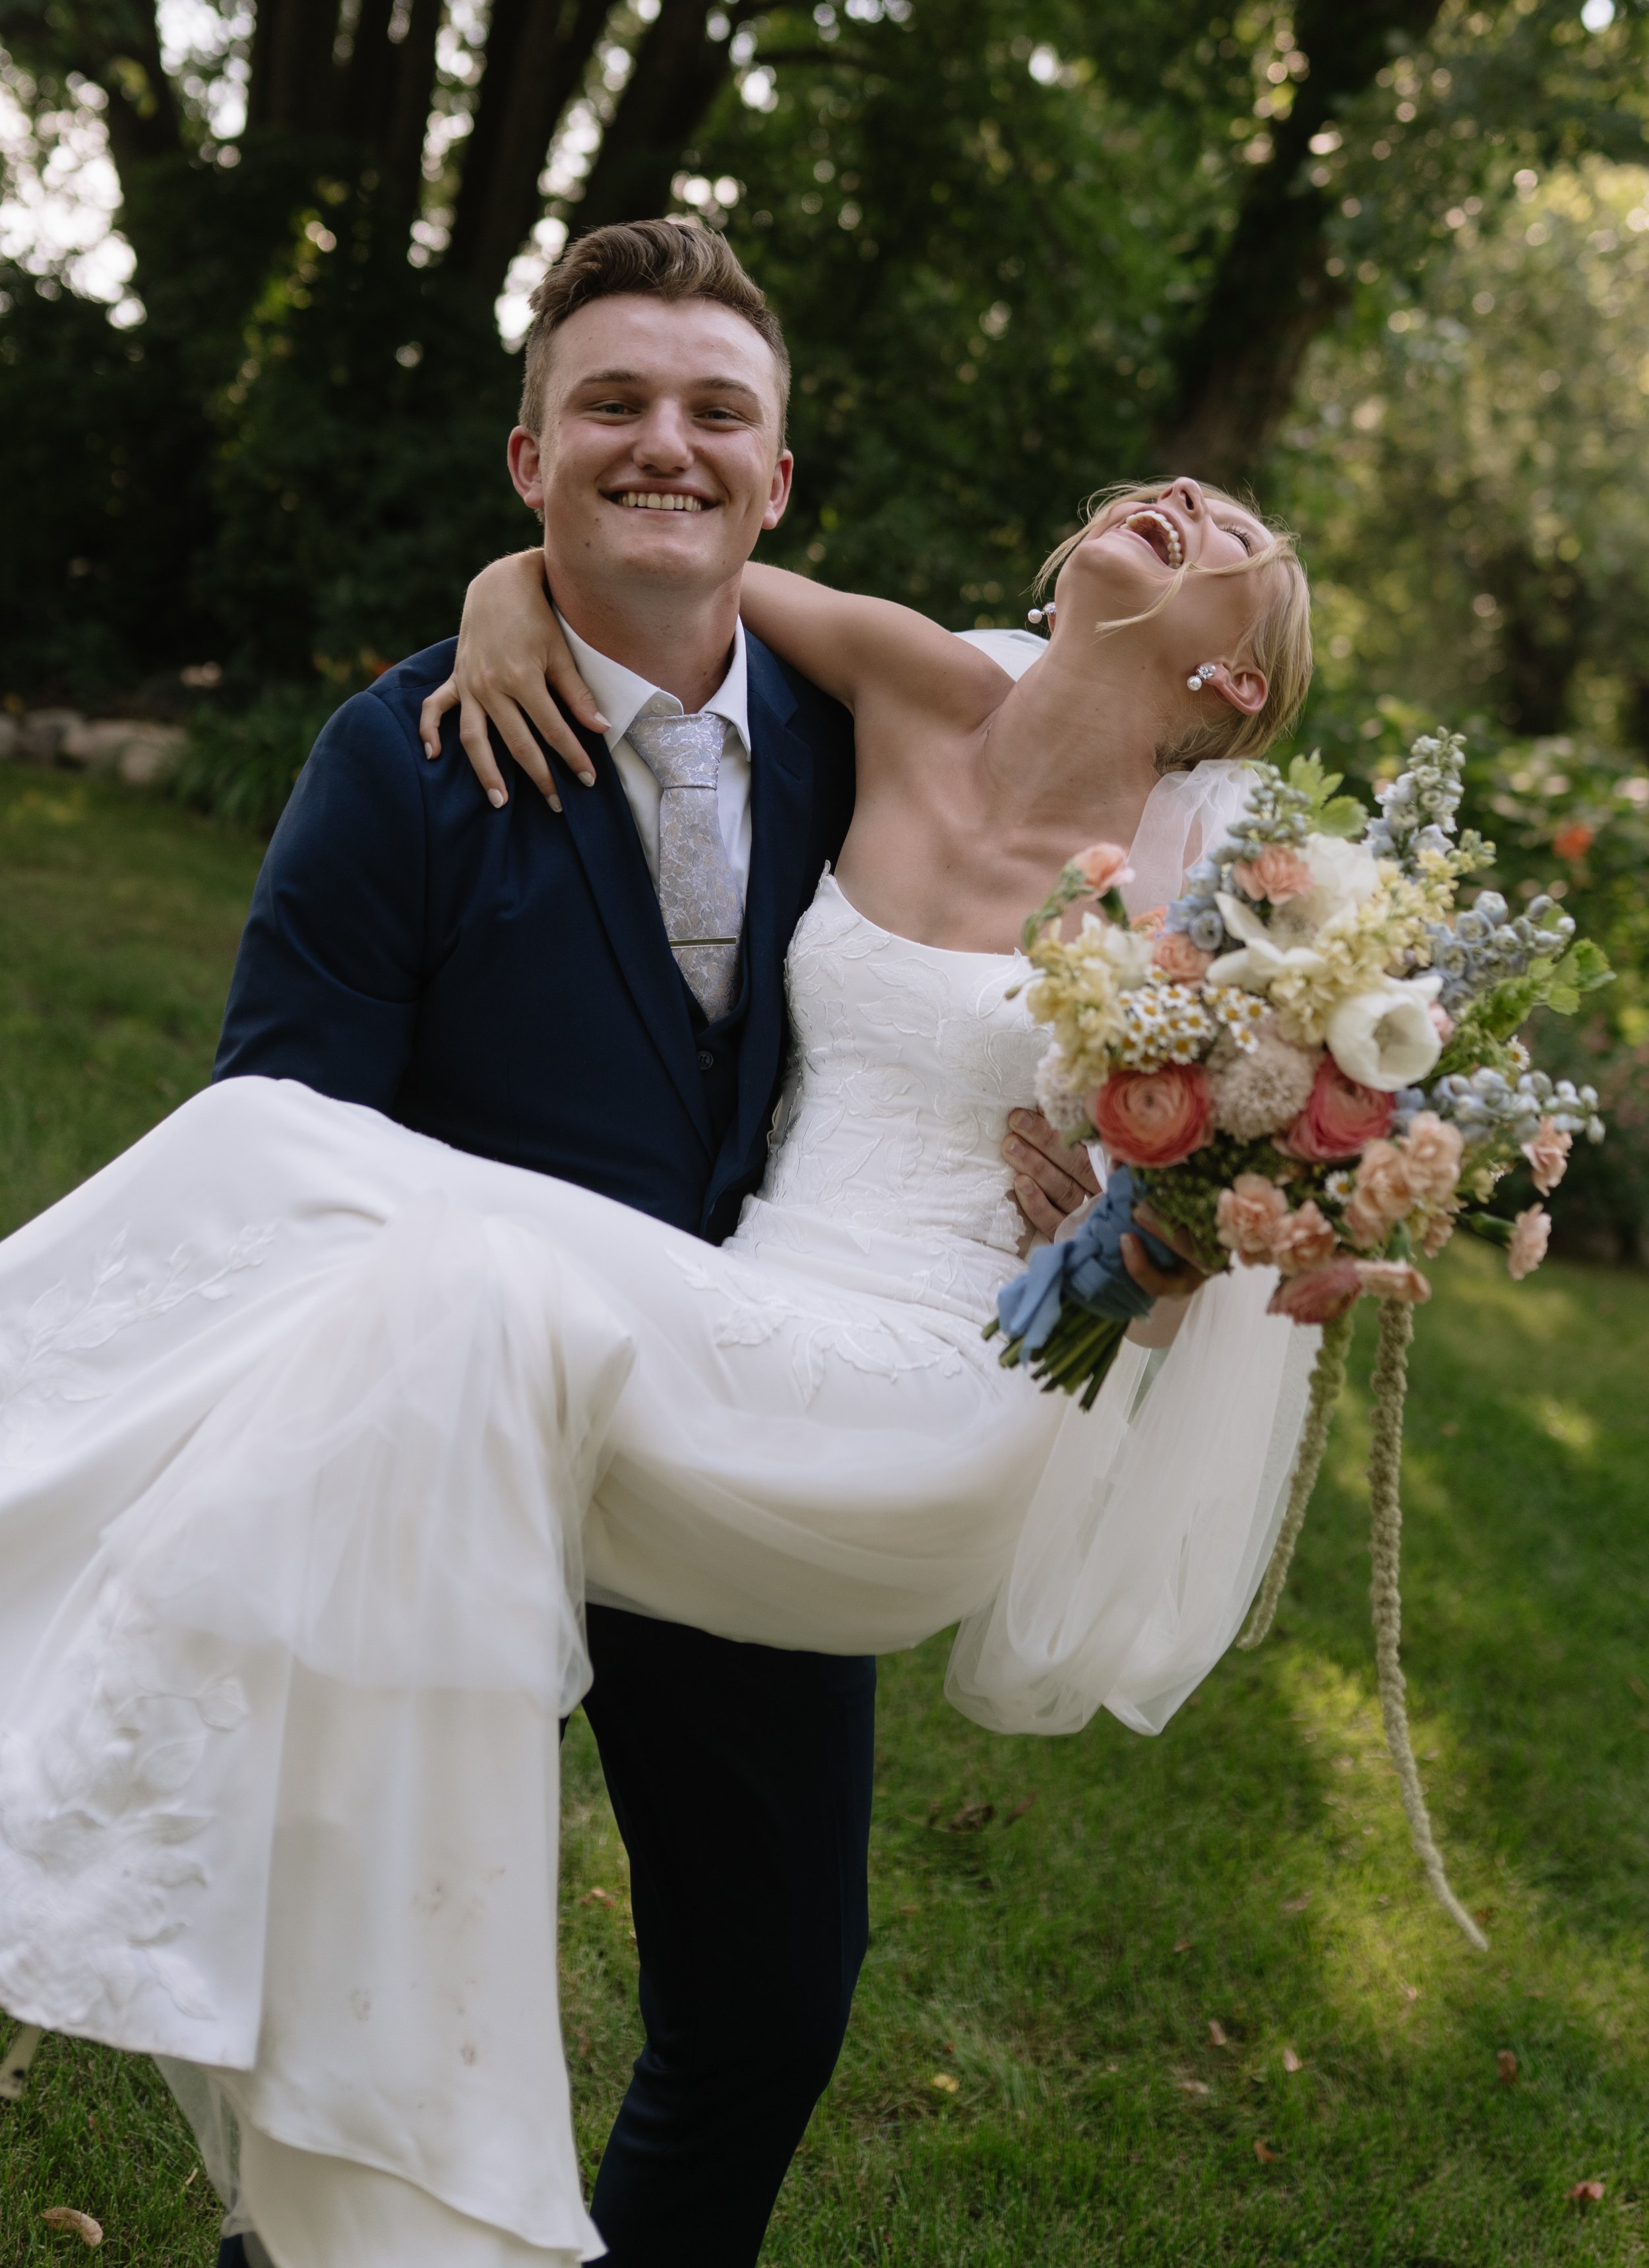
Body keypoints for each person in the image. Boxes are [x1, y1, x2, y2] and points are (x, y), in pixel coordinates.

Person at [0, 220, 1315, 2268]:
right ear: (529, 460)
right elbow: (293, 1142)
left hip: (801, 1396)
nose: (664, 447)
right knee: (356, 1862)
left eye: (715, 415)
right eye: (608, 406)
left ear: (776, 482)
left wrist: (1109, 1245)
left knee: (769, 2006)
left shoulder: (875, 730)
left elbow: (1202, 1232)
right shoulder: (410, 755)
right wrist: (506, 593)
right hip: (462, 1410)